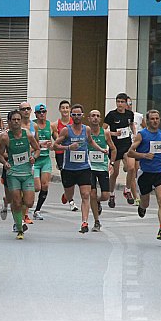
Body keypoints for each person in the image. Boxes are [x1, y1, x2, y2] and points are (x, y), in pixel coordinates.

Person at [54, 104, 105, 234]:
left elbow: (91, 141)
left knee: (86, 194)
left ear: (82, 115)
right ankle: (67, 196)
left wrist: (101, 149)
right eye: (74, 114)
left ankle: (84, 222)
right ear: (71, 116)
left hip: (84, 167)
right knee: (70, 195)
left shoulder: (86, 129)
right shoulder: (66, 130)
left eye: (79, 114)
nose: (76, 117)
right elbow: (55, 145)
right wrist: (68, 148)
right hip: (69, 169)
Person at [127, 109, 161, 240]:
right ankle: (141, 206)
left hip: (160, 172)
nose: (155, 121)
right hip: (145, 173)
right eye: (152, 119)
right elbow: (130, 152)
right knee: (145, 202)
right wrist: (144, 155)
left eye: (157, 118)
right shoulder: (142, 135)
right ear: (147, 121)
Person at [0, 110, 40, 240]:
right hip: (13, 173)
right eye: (13, 120)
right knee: (16, 201)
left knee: (29, 202)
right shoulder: (5, 137)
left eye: (18, 119)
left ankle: (18, 215)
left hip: (26, 173)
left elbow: (37, 149)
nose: (16, 122)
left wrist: (34, 157)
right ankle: (19, 227)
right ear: (9, 121)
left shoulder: (27, 134)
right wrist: (5, 163)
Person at [104, 93, 138, 207]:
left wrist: (134, 133)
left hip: (127, 145)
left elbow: (132, 124)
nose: (120, 104)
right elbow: (102, 129)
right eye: (118, 101)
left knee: (132, 168)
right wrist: (113, 133)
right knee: (115, 173)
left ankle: (127, 190)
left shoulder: (129, 114)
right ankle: (111, 194)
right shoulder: (111, 115)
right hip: (115, 146)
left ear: (126, 103)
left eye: (122, 102)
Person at [88, 110, 116, 232]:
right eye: (93, 116)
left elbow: (113, 149)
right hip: (89, 168)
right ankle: (96, 221)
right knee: (92, 193)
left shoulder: (105, 133)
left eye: (98, 116)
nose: (95, 118)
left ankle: (97, 202)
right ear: (89, 118)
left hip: (102, 167)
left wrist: (112, 163)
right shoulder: (86, 133)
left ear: (100, 120)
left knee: (105, 195)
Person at [32, 103, 58, 220]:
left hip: (45, 159)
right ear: (36, 114)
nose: (42, 114)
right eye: (39, 112)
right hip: (34, 159)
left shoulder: (51, 125)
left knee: (45, 185)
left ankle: (37, 210)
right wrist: (39, 144)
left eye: (44, 112)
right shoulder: (32, 125)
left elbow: (57, 141)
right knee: (36, 187)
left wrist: (53, 145)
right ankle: (23, 200)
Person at [55, 100, 75, 210]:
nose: (65, 110)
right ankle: (71, 200)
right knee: (65, 175)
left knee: (73, 175)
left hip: (74, 152)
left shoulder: (74, 122)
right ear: (59, 110)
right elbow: (56, 140)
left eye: (67, 107)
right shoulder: (55, 125)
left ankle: (67, 194)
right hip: (61, 153)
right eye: (63, 108)